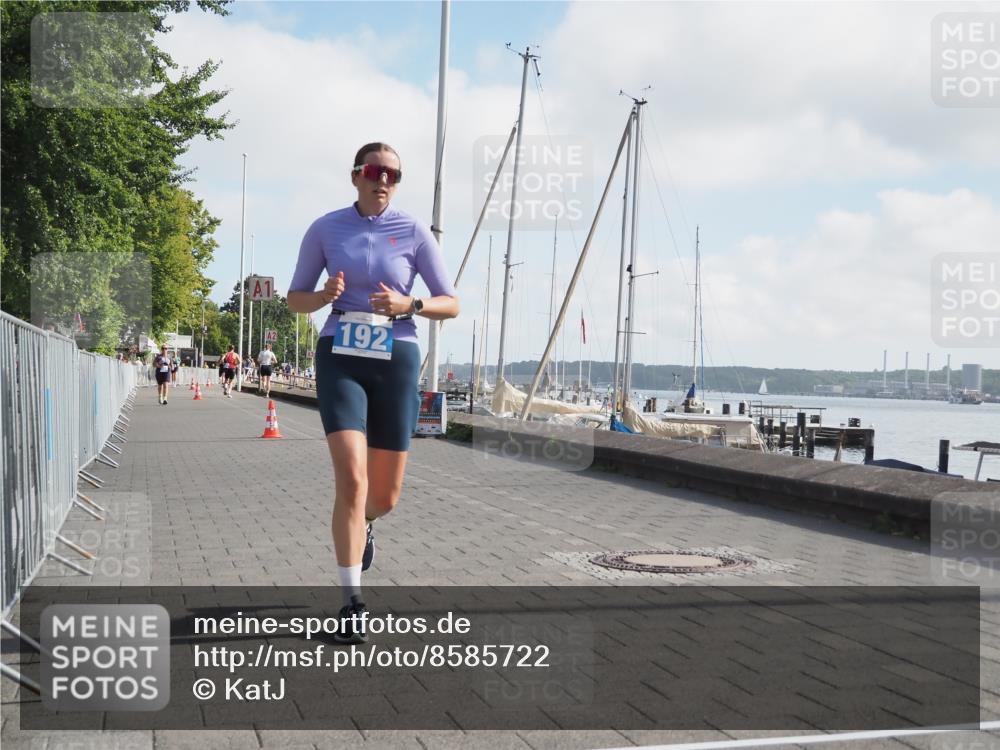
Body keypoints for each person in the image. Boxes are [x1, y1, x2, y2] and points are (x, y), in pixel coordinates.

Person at [288, 142, 458, 644]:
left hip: (396, 359)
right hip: (340, 353)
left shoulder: (413, 230)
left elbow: (451, 303)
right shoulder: (326, 227)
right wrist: (323, 297)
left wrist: (411, 303)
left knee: (383, 496)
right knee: (353, 481)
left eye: (393, 174)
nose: (383, 180)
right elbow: (296, 298)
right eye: (374, 171)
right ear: (356, 175)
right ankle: (351, 603)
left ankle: (364, 527)